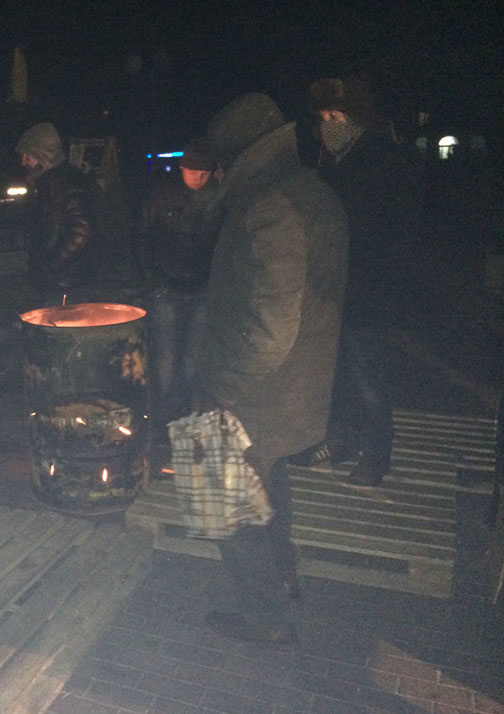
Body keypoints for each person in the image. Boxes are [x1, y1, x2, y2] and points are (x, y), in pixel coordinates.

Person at [193, 93, 349, 647]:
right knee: (270, 487)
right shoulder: (312, 191)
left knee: (227, 506)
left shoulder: (268, 207)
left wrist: (219, 387)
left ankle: (265, 618)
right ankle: (282, 580)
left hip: (257, 392)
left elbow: (269, 329)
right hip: (296, 390)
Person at [290, 76, 421, 487]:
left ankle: (377, 454)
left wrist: (388, 286)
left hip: (369, 289)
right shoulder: (332, 160)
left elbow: (395, 231)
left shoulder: (382, 159)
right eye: (325, 117)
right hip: (334, 288)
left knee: (368, 378)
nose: (329, 124)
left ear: (357, 118)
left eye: (337, 116)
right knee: (336, 374)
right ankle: (339, 440)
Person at [137, 140, 222, 427]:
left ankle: (183, 411)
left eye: (204, 174)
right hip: (166, 287)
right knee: (165, 355)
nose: (198, 179)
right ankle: (163, 415)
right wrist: (151, 281)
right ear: (182, 169)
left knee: (192, 357)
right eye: (193, 172)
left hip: (202, 289)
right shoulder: (162, 195)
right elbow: (143, 239)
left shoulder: (218, 199)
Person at [15, 122, 99, 306]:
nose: (23, 162)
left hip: (68, 284)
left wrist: (51, 265)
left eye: (27, 155)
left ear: (42, 155)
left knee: (64, 324)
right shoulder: (48, 183)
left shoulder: (63, 183)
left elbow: (82, 229)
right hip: (58, 282)